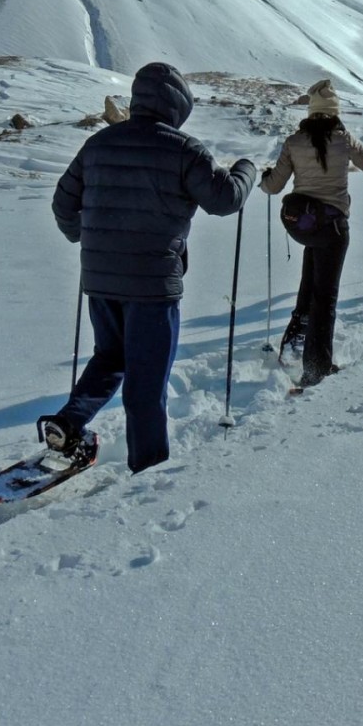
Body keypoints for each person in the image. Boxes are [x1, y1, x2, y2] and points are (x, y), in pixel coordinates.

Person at [47, 62, 256, 473]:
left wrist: (87, 236)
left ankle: (68, 423)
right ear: (178, 107)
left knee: (109, 357)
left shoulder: (98, 144)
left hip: (101, 279)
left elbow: (62, 204)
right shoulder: (183, 149)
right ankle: (149, 473)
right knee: (146, 382)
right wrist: (246, 168)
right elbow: (225, 199)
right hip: (153, 286)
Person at [260, 79, 363, 388]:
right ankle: (317, 368)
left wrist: (263, 177)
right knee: (325, 298)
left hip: (302, 226)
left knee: (309, 284)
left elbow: (272, 187)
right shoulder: (343, 140)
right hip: (333, 228)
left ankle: (294, 343)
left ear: (311, 111)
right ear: (335, 112)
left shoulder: (294, 142)